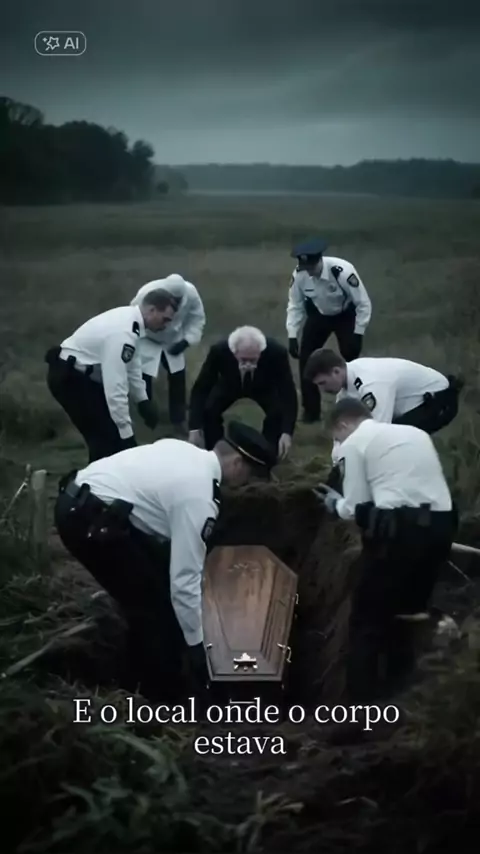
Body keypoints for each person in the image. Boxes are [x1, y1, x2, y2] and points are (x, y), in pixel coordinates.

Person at [54, 420, 278, 703]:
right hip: (88, 522)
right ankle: (158, 698)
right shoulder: (199, 497)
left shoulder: (185, 452)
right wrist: (199, 649)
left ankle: (147, 675)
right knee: (155, 609)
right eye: (250, 475)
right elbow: (183, 583)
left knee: (158, 586)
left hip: (86, 502)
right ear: (236, 463)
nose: (246, 483)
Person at [315, 396, 457, 703]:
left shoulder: (355, 443)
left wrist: (334, 504)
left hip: (399, 535)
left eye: (337, 438)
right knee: (410, 613)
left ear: (344, 424)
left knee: (366, 620)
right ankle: (402, 696)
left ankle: (361, 708)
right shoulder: (415, 433)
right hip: (442, 527)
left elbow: (355, 506)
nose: (339, 445)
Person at [45, 289, 177, 462]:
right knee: (106, 442)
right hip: (70, 379)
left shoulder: (132, 323)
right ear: (152, 310)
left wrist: (142, 400)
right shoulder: (124, 332)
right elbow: (115, 385)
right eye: (165, 319)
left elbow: (132, 364)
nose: (166, 325)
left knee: (109, 441)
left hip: (81, 377)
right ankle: (90, 479)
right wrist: (127, 435)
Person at [304, 348, 463, 488]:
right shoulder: (345, 393)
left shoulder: (371, 382)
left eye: (323, 383)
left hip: (438, 402)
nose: (322, 390)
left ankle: (416, 493)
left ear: (336, 371)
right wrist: (337, 466)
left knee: (390, 446)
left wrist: (348, 471)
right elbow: (341, 434)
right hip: (409, 406)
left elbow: (376, 434)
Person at [286, 238, 371, 423]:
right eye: (306, 267)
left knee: (351, 358)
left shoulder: (342, 271)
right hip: (319, 315)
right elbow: (295, 305)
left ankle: (356, 405)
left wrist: (358, 332)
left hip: (345, 315)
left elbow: (363, 303)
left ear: (320, 260)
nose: (309, 271)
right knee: (306, 360)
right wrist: (292, 335)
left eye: (312, 267)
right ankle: (311, 412)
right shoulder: (300, 275)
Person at [188, 326, 298, 460]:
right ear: (234, 353)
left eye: (253, 360)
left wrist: (287, 432)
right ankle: (216, 451)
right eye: (243, 359)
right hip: (230, 384)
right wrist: (194, 428)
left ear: (261, 352)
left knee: (278, 411)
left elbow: (288, 392)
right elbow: (201, 388)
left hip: (264, 386)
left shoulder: (277, 352)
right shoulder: (219, 351)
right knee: (209, 410)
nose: (248, 365)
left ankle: (268, 452)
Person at [130, 274, 205, 436]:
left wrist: (186, 341)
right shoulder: (147, 293)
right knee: (144, 378)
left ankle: (178, 420)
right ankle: (148, 418)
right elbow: (133, 318)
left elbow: (197, 318)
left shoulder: (191, 293)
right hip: (149, 339)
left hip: (173, 339)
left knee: (177, 377)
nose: (176, 303)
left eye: (179, 299)